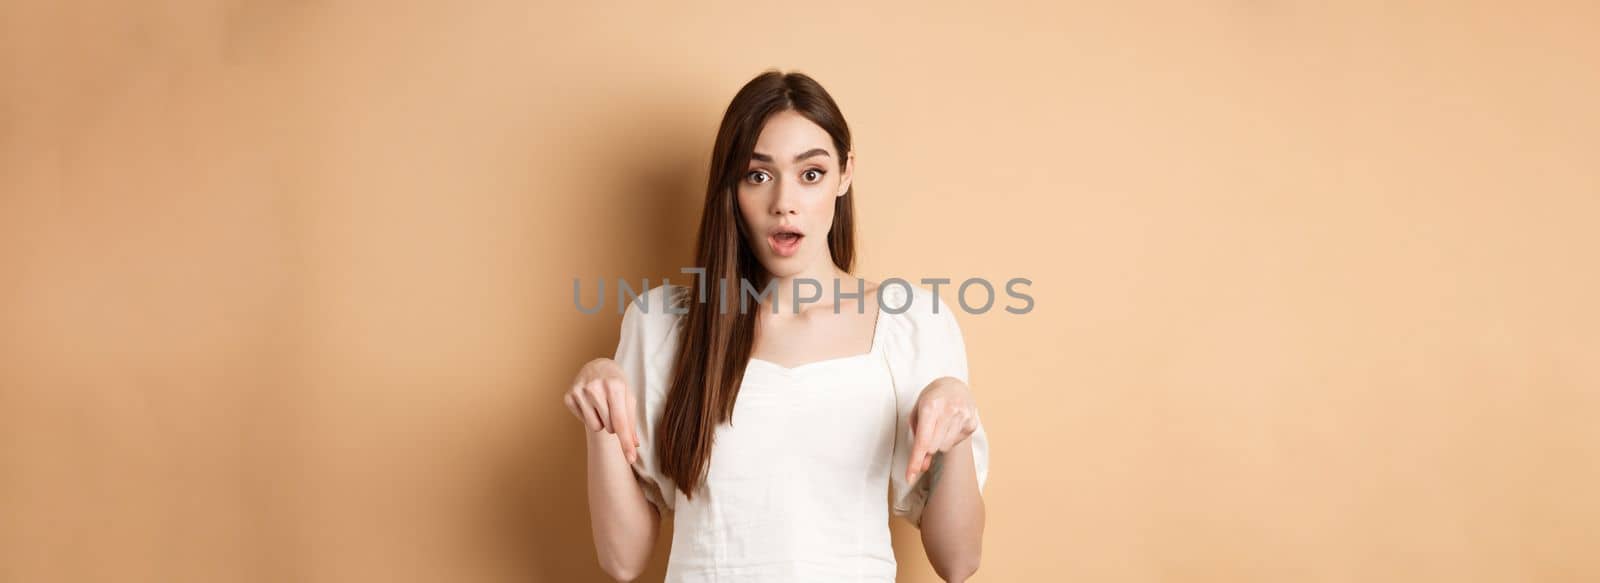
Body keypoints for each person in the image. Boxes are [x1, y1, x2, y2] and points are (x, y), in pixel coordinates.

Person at [563, 70, 990, 582]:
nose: (784, 201)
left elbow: (959, 561)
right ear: (732, 184)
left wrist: (958, 425)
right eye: (758, 175)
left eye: (810, 173)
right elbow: (623, 561)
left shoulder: (914, 323)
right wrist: (601, 421)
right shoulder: (662, 324)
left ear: (845, 174)